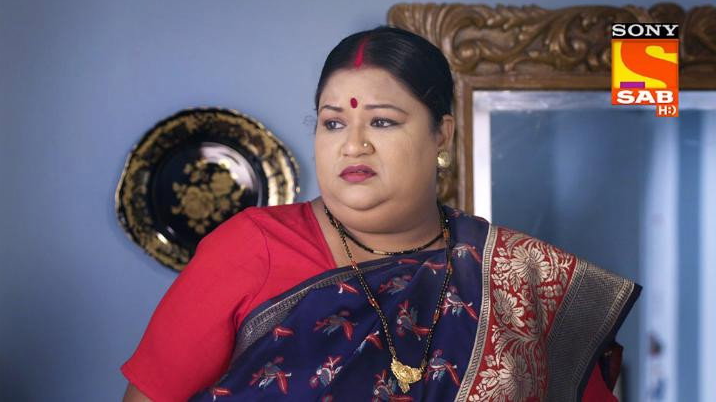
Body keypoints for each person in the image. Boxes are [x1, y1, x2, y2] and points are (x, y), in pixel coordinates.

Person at [121, 26, 640, 402]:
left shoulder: (517, 275)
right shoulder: (249, 248)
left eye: (383, 122)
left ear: (442, 134)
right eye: (333, 123)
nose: (353, 145)